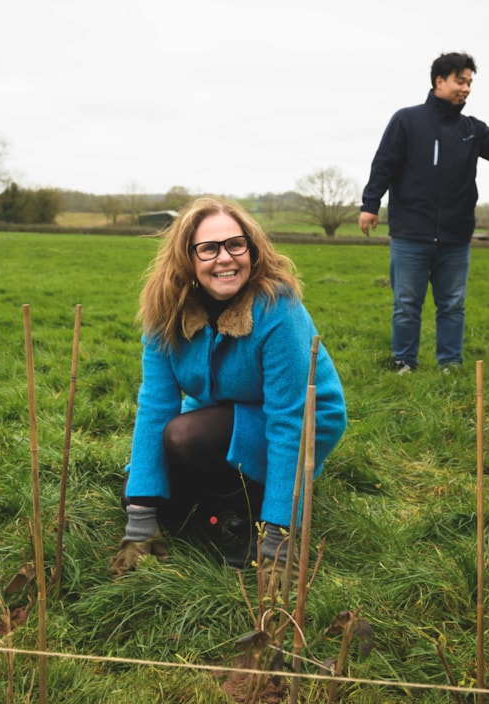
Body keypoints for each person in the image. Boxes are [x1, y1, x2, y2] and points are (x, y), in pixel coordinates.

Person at [110, 197, 347, 576]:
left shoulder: (277, 308)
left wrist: (279, 538)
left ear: (252, 250)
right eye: (208, 249)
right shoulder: (166, 310)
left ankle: (254, 510)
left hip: (302, 417)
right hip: (222, 409)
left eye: (236, 245)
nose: (225, 258)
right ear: (187, 258)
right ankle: (223, 503)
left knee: (188, 436)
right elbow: (156, 406)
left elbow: (290, 419)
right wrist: (141, 518)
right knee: (137, 494)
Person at [360, 51, 489, 373]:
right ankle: (404, 361)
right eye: (460, 81)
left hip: (456, 236)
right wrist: (370, 204)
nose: (466, 88)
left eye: (470, 82)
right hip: (410, 233)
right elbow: (384, 163)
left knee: (453, 305)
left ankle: (451, 363)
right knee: (406, 304)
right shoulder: (406, 120)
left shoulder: (472, 128)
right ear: (439, 81)